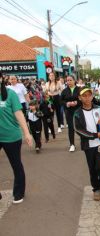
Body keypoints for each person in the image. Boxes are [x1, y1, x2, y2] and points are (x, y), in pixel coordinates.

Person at [0, 72, 32, 204]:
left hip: (11, 136)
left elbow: (19, 114)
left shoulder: (10, 94)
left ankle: (19, 192)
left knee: (16, 165)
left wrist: (27, 133)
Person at [74, 87, 100, 201]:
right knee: (92, 168)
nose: (87, 98)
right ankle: (96, 189)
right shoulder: (77, 113)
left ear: (92, 96)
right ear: (80, 98)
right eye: (84, 96)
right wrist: (95, 135)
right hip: (88, 145)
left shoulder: (99, 109)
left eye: (89, 95)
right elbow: (78, 130)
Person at [61, 75, 80, 152]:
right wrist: (67, 103)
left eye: (70, 80)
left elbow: (83, 99)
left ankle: (84, 141)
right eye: (67, 80)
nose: (69, 82)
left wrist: (77, 102)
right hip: (69, 111)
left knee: (80, 127)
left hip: (78, 111)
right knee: (71, 128)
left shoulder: (79, 89)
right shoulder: (64, 91)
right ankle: (72, 144)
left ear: (74, 80)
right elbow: (61, 101)